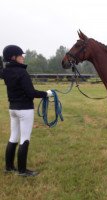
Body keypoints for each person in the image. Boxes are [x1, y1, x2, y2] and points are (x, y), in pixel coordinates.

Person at [2, 45, 53, 177]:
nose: (23, 57)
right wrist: (46, 93)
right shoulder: (22, 72)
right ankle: (22, 171)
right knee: (24, 139)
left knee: (13, 137)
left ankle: (9, 167)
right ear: (13, 57)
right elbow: (31, 93)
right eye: (20, 55)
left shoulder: (5, 72)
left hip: (13, 109)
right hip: (25, 110)